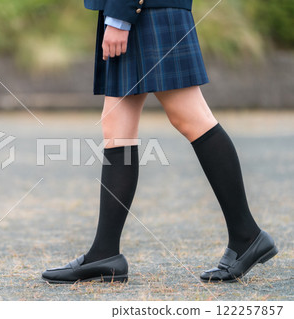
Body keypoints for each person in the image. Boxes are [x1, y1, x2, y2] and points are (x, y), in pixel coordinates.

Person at [41, 0, 278, 284]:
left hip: (145, 11)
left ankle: (246, 235)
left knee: (191, 117)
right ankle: (105, 253)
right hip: (141, 11)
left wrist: (119, 16)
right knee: (117, 125)